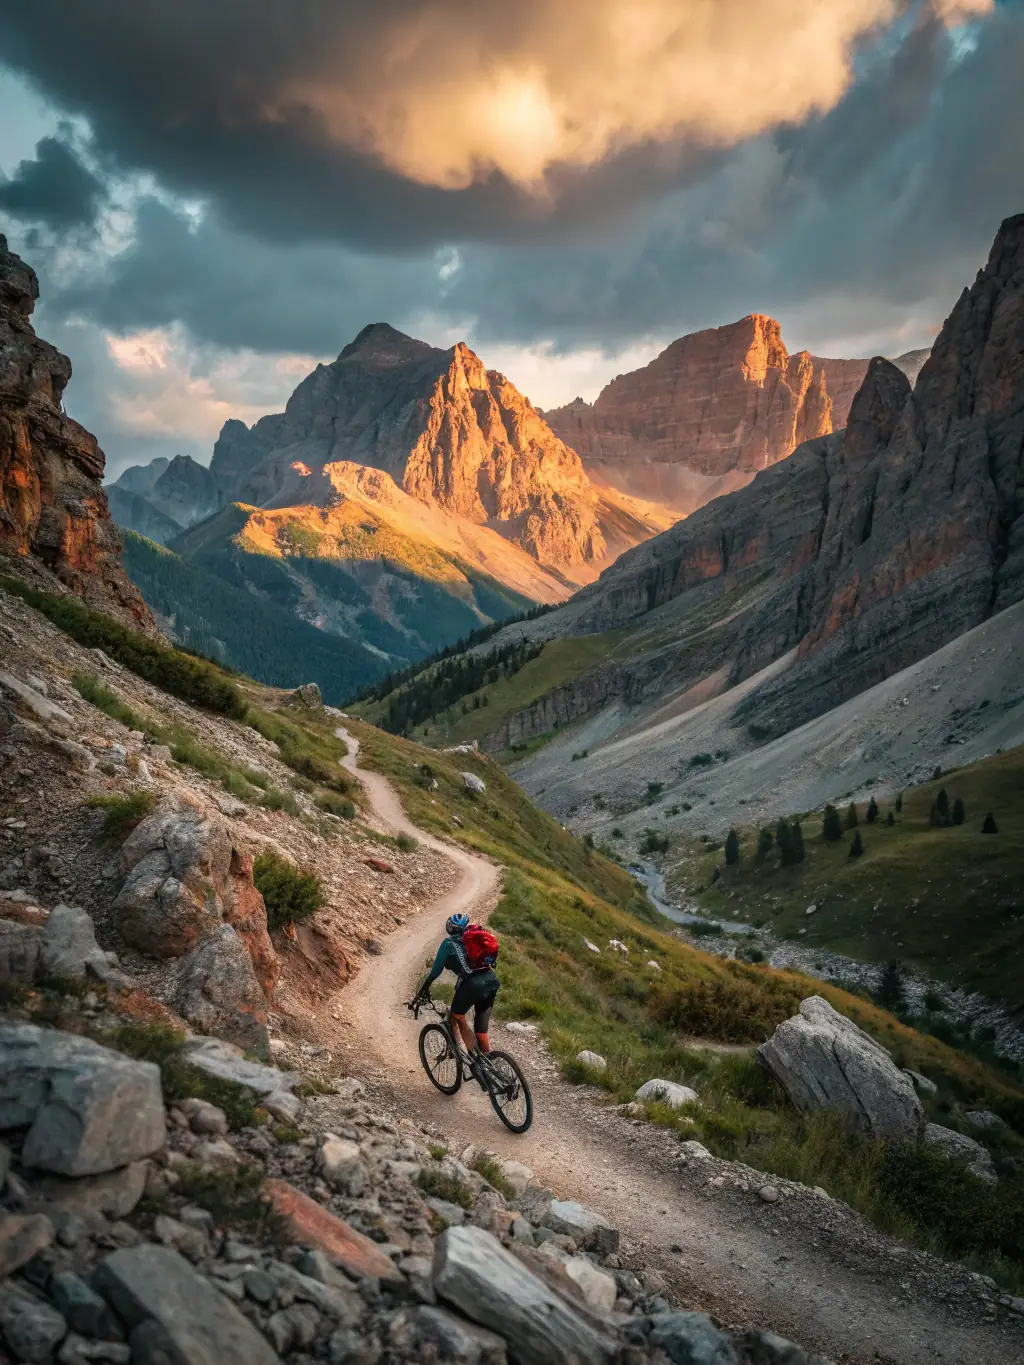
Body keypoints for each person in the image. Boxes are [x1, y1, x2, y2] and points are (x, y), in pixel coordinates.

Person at [413, 912, 499, 1084]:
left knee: (458, 1015)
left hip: (473, 985)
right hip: (491, 980)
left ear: (449, 928)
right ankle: (489, 1067)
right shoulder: (474, 939)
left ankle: (475, 1062)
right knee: (481, 1030)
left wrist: (422, 991)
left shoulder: (448, 944)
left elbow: (435, 972)